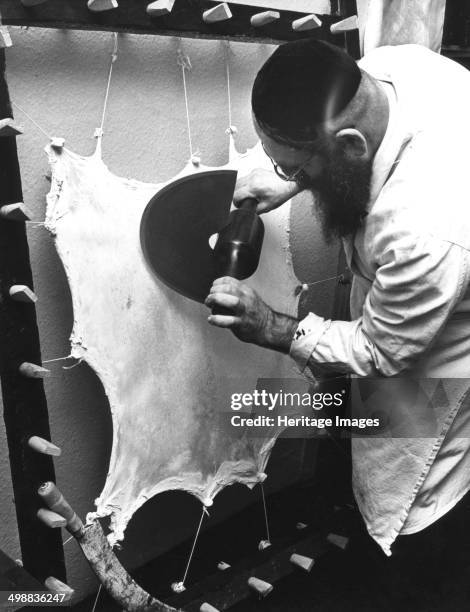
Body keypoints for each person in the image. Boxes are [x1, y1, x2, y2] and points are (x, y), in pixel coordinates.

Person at [205, 39, 470, 607]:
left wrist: (275, 327)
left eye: (294, 165)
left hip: (442, 350)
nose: (285, 175)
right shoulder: (394, 70)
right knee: (363, 430)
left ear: (349, 146)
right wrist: (293, 178)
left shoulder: (424, 227)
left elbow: (382, 351)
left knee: (419, 502)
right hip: (420, 286)